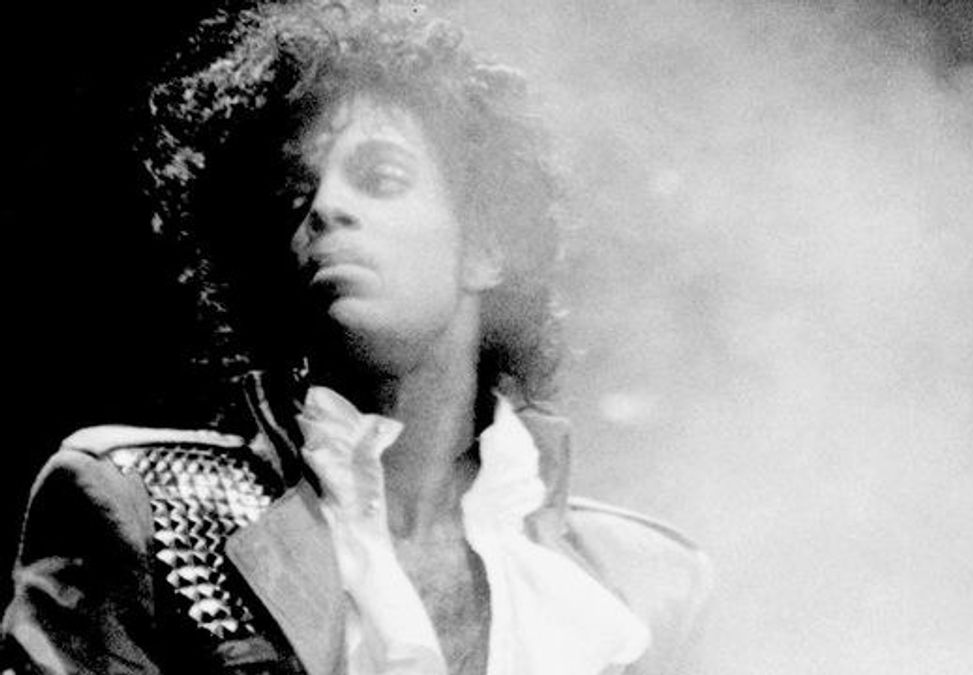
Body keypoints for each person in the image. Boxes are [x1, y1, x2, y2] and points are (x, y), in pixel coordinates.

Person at [0, 2, 711, 674]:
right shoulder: (139, 504)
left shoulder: (649, 583)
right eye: (293, 194)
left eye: (380, 178)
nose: (326, 207)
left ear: (486, 245)